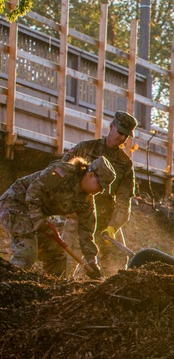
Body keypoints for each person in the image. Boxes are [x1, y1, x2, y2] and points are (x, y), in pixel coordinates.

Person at [0, 156, 116, 278]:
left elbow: (86, 232)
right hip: (15, 204)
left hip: (38, 215)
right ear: (91, 175)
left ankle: (51, 292)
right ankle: (9, 286)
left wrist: (91, 262)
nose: (101, 191)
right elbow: (33, 192)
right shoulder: (62, 172)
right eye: (101, 185)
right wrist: (38, 219)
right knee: (27, 251)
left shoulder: (86, 201)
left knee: (57, 256)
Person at [62, 111, 138, 241]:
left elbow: (124, 201)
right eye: (120, 133)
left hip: (105, 217)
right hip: (79, 213)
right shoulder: (86, 148)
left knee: (119, 258)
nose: (122, 138)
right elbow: (61, 173)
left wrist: (113, 226)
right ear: (111, 126)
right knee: (70, 257)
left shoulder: (125, 163)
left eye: (126, 136)